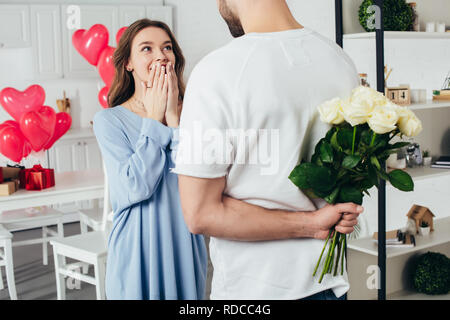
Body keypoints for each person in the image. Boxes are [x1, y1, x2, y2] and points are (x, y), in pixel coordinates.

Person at [173, 0, 363, 300]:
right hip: (329, 284)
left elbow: (201, 213)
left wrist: (311, 225)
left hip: (255, 290)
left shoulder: (216, 71)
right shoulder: (340, 60)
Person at [93, 18, 207, 300]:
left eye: (167, 48)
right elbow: (135, 187)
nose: (160, 56)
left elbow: (197, 177)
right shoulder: (108, 121)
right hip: (136, 248)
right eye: (147, 48)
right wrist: (156, 120)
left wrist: (173, 119)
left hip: (184, 241)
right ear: (128, 63)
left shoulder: (194, 113)